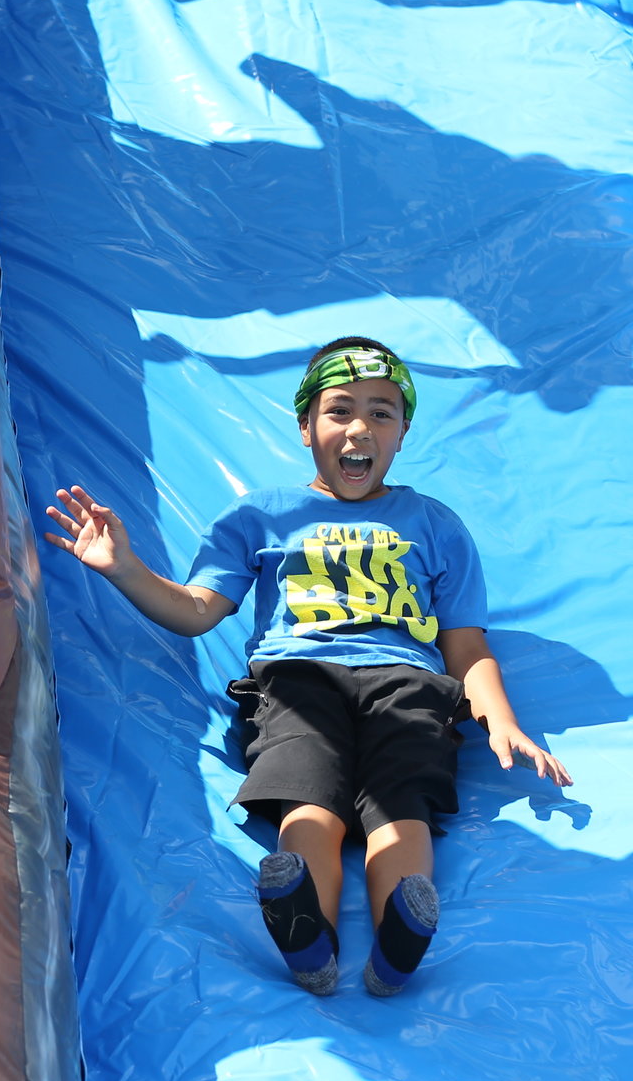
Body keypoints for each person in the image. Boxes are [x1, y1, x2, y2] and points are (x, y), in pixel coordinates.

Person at [44, 337, 569, 996]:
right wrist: (123, 567)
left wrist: (502, 717)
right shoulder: (260, 517)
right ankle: (308, 933)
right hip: (297, 676)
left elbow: (465, 645)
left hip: (405, 681)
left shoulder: (435, 524)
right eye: (340, 410)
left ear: (403, 433)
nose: (359, 428)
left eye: (382, 412)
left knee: (400, 802)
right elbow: (197, 609)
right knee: (309, 798)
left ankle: (400, 933)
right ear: (305, 427)